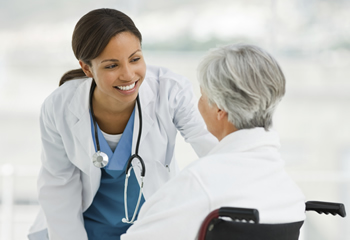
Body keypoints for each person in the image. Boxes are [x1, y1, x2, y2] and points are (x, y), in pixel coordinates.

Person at [27, 8, 217, 240]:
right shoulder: (59, 107)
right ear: (87, 68)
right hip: (80, 228)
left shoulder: (170, 91)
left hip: (151, 228)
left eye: (135, 59)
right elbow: (58, 185)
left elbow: (214, 149)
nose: (128, 75)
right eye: (111, 66)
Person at [120, 44, 306, 240]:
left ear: (219, 109)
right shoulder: (289, 192)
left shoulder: (199, 182)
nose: (198, 103)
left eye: (202, 95)